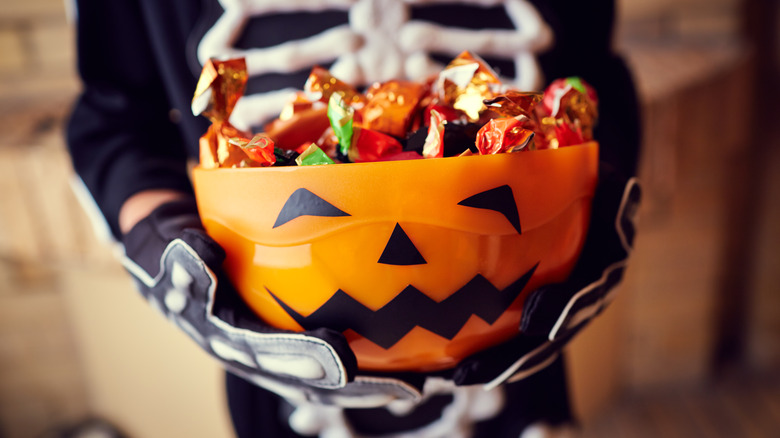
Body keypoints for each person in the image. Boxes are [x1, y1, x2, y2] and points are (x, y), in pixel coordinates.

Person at [66, 1, 641, 436]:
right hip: (279, 368)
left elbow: (597, 78)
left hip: (517, 345)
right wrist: (164, 247)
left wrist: (597, 213)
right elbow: (115, 119)